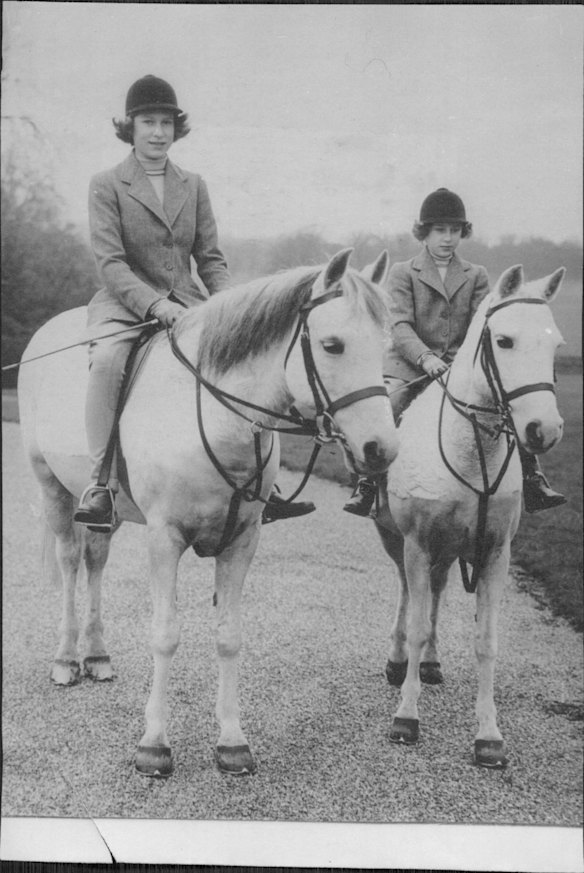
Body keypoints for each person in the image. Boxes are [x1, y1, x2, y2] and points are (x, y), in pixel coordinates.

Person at [74, 75, 314, 530]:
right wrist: (154, 306)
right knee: (106, 360)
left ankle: (263, 484)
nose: (159, 132)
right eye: (149, 122)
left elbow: (210, 259)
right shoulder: (106, 184)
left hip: (190, 303)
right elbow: (111, 263)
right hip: (124, 304)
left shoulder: (194, 184)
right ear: (131, 126)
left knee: (244, 362)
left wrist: (234, 310)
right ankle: (100, 484)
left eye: (166, 122)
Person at [344, 187, 566, 517]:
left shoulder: (476, 274)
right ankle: (368, 483)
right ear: (424, 233)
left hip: (460, 368)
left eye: (455, 230)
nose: (448, 239)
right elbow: (399, 326)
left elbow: (481, 328)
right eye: (440, 230)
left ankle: (532, 479)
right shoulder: (404, 272)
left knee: (508, 404)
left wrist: (459, 362)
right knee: (391, 403)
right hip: (411, 366)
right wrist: (426, 358)